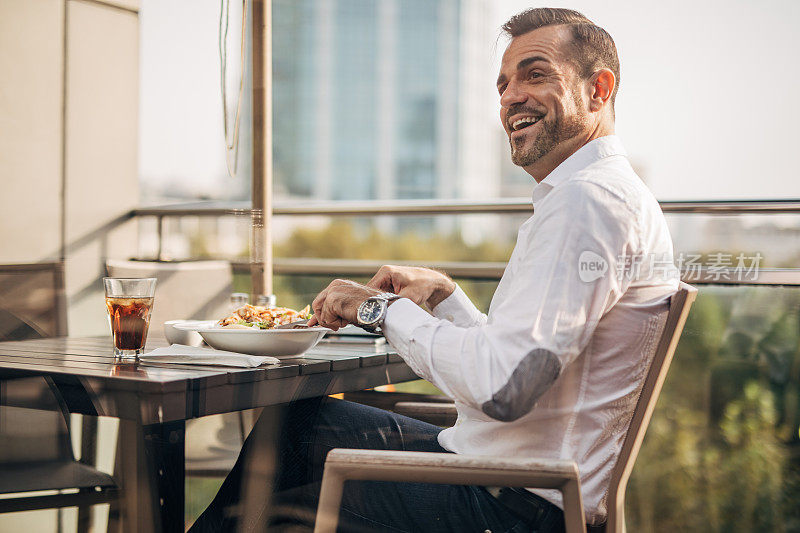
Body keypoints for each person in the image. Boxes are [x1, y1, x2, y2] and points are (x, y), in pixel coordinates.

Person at [191, 7, 678, 532]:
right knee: (292, 424)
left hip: (511, 506)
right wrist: (445, 294)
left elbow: (503, 387)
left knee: (267, 505)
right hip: (498, 470)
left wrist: (379, 309)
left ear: (599, 89)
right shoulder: (593, 196)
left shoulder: (589, 203)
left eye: (535, 75)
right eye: (503, 84)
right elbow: (518, 361)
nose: (511, 96)